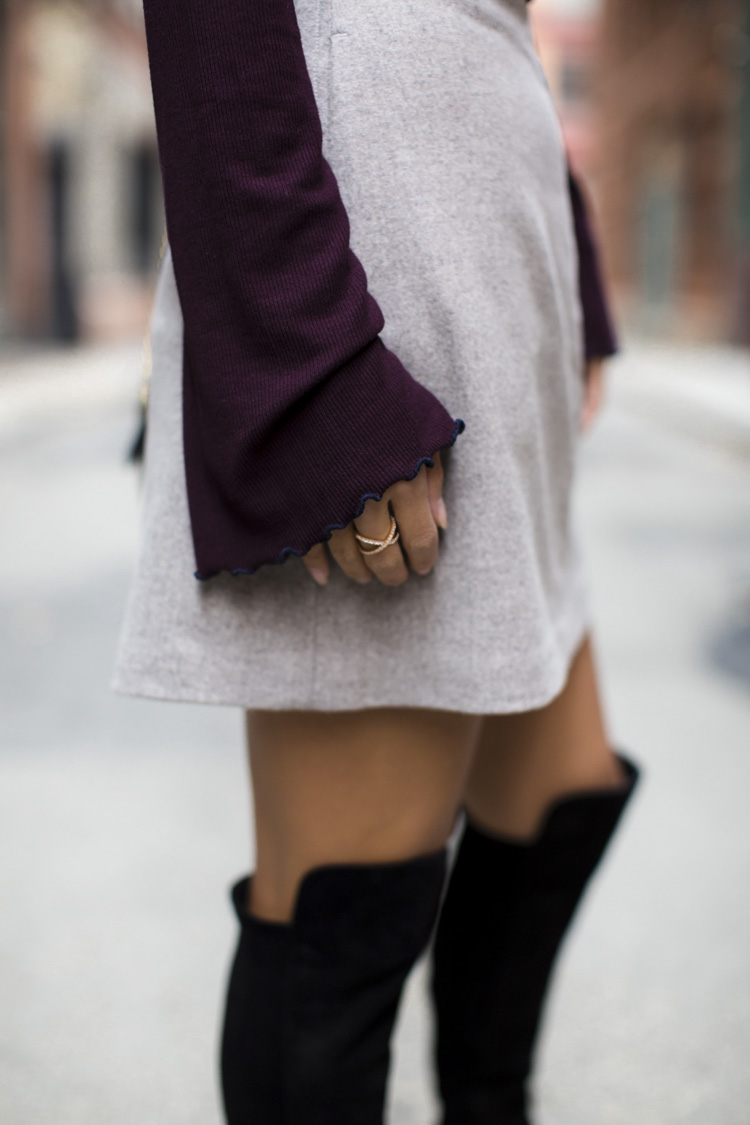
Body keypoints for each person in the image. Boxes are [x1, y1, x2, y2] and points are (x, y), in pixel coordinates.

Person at [112, 0, 641, 1121]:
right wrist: (310, 363)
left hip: (490, 204)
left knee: (558, 790)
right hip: (383, 229)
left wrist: (573, 246)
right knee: (343, 922)